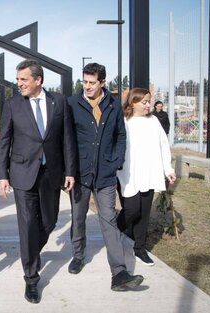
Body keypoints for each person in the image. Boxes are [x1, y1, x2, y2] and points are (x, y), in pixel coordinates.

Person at [0, 59, 76, 303]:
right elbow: (4, 142)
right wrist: (2, 175)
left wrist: (70, 171)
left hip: (51, 173)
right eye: (18, 79)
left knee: (50, 221)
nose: (19, 84)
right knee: (28, 225)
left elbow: (67, 138)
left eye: (24, 80)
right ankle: (31, 278)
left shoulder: (59, 101)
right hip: (22, 173)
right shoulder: (12, 104)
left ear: (38, 80)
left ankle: (32, 251)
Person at [67, 63, 144, 291]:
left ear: (102, 83)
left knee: (109, 220)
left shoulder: (113, 105)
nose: (87, 86)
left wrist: (116, 161)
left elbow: (121, 135)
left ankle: (119, 272)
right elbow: (66, 138)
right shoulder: (72, 104)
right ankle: (78, 256)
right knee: (78, 218)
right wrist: (68, 170)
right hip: (80, 174)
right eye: (85, 82)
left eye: (92, 82)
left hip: (106, 175)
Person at [117, 88, 177, 266]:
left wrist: (168, 169)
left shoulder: (154, 121)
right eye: (144, 102)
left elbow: (163, 146)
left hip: (149, 173)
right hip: (128, 174)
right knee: (132, 210)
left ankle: (140, 249)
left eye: (149, 101)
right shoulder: (124, 121)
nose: (148, 105)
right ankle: (114, 230)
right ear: (132, 103)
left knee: (144, 213)